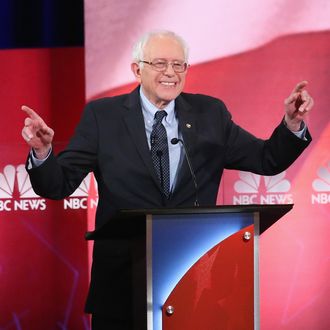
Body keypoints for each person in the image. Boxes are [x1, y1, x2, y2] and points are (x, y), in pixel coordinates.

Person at [21, 30, 313, 329]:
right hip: (123, 285)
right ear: (137, 69)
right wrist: (44, 153)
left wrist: (292, 124)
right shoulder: (103, 116)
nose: (171, 73)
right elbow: (59, 184)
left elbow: (266, 159)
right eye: (160, 63)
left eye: (179, 65)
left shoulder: (209, 113)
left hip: (194, 281)